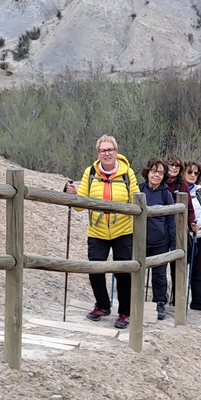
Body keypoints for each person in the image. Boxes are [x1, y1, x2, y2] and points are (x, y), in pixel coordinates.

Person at [65, 135, 138, 329]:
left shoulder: (127, 173)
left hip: (123, 229)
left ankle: (125, 313)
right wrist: (71, 195)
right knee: (95, 270)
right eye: (103, 150)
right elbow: (80, 205)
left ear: (116, 151)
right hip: (97, 230)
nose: (107, 153)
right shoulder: (90, 173)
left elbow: (136, 200)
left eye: (110, 150)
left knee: (123, 272)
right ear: (98, 153)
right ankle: (103, 305)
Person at [138, 158, 176, 321]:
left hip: (161, 241)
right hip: (139, 239)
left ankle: (159, 302)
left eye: (160, 172)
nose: (157, 175)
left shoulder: (166, 194)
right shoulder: (138, 189)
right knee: (136, 271)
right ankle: (134, 301)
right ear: (147, 172)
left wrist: (173, 243)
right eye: (154, 171)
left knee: (159, 274)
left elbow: (171, 221)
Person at [165, 155, 196, 305]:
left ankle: (177, 300)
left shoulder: (182, 185)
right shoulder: (159, 181)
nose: (174, 168)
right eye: (171, 165)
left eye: (177, 166)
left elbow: (189, 209)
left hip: (177, 231)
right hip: (159, 230)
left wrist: (192, 225)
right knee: (158, 266)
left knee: (177, 266)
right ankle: (160, 299)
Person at [183, 160, 201, 311]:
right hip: (182, 237)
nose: (193, 175)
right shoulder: (177, 190)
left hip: (199, 237)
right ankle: (177, 302)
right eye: (190, 172)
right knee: (179, 272)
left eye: (196, 173)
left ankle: (197, 305)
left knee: (198, 273)